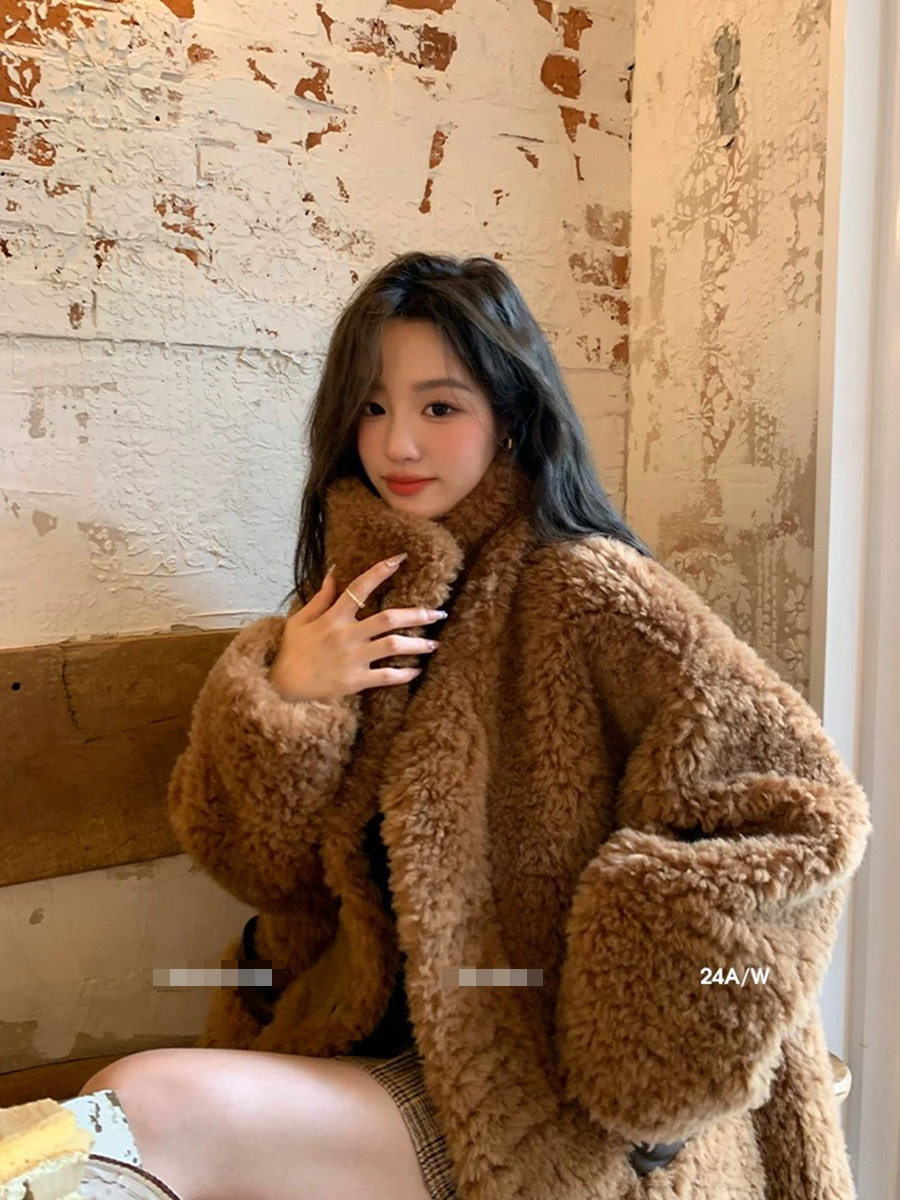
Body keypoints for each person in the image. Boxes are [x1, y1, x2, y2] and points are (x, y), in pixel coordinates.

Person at [78, 251, 871, 1200]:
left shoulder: (588, 591)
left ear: (511, 416)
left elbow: (805, 812)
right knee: (113, 1124)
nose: (399, 443)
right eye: (373, 407)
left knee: (141, 1111)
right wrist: (291, 699)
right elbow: (260, 872)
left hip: (536, 1090)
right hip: (357, 1049)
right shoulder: (347, 608)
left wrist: (645, 1028)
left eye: (440, 407)